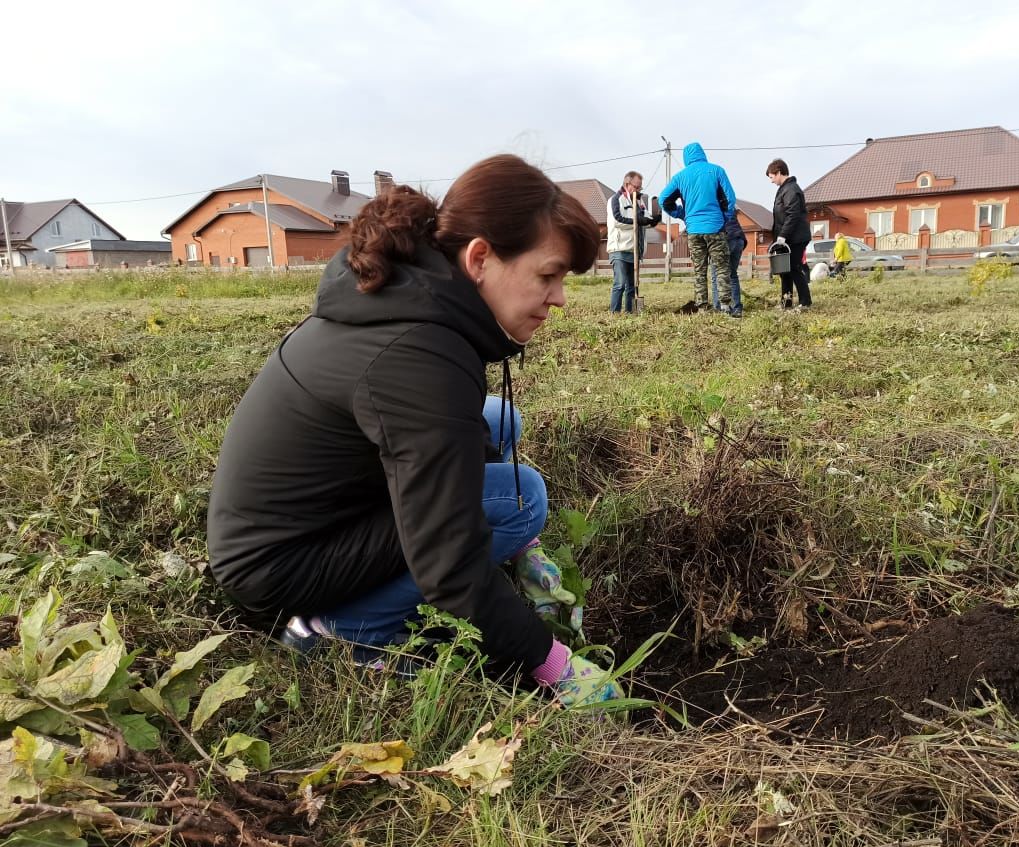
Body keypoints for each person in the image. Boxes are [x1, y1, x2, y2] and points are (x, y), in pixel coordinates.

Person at [207, 154, 621, 708]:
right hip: (280, 567)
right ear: (479, 258)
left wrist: (524, 552)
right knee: (520, 500)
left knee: (502, 421)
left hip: (297, 521)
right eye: (548, 275)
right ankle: (344, 627)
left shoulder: (414, 292)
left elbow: (447, 430)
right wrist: (552, 664)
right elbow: (449, 561)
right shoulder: (418, 356)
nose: (560, 298)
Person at [659, 143, 739, 316]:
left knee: (699, 270)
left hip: (694, 231)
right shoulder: (717, 171)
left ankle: (702, 307)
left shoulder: (680, 177)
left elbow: (663, 200)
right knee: (722, 268)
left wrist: (682, 214)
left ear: (686, 158)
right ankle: (726, 307)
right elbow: (730, 199)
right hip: (716, 228)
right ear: (702, 153)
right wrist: (723, 217)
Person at [606, 171, 658, 313]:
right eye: (637, 187)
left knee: (632, 285)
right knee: (620, 284)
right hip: (620, 248)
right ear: (627, 184)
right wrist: (637, 221)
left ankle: (630, 313)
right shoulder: (616, 199)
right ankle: (615, 313)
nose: (639, 190)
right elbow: (618, 220)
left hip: (635, 249)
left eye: (640, 188)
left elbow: (645, 221)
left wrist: (654, 220)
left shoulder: (639, 202)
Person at [766, 159, 812, 310]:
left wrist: (783, 235)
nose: (771, 181)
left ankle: (805, 303)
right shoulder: (784, 189)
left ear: (779, 172)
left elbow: (793, 214)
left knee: (794, 268)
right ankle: (786, 303)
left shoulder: (791, 189)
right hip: (788, 237)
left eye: (772, 177)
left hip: (796, 237)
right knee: (785, 270)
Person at [711, 210, 747, 314]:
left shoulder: (712, 204)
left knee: (716, 275)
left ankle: (718, 308)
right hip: (739, 238)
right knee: (732, 275)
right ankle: (737, 307)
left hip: (726, 238)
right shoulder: (728, 203)